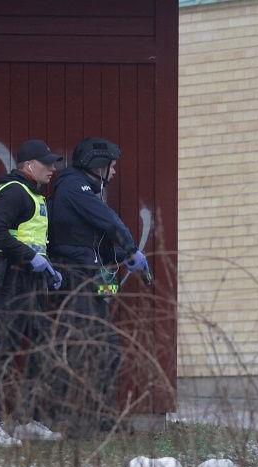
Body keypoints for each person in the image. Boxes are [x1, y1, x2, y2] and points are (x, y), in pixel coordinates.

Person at [46, 137, 150, 435]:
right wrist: (130, 248)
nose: (114, 172)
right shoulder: (74, 188)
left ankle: (104, 417)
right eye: (112, 166)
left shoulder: (82, 191)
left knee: (106, 349)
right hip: (75, 278)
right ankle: (75, 421)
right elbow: (108, 221)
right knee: (82, 348)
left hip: (87, 275)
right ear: (98, 165)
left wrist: (121, 257)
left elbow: (91, 243)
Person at [0, 139, 65, 446]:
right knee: (3, 352)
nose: (53, 169)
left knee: (40, 350)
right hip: (13, 281)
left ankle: (28, 420)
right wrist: (31, 258)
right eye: (47, 163)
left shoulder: (32, 193)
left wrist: (48, 269)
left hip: (32, 282)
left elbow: (33, 239)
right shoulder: (15, 191)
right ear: (29, 165)